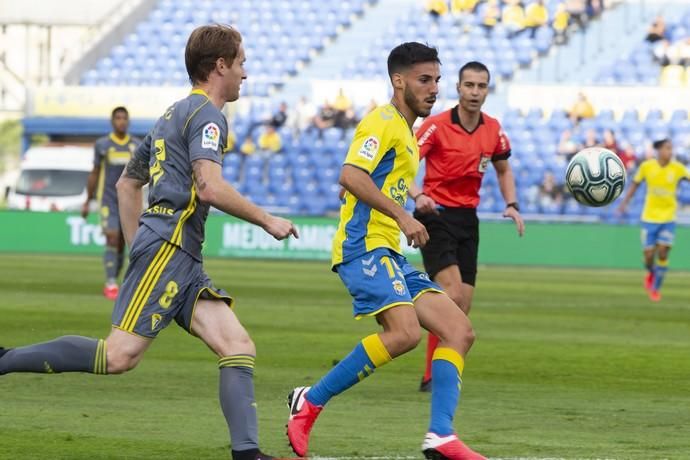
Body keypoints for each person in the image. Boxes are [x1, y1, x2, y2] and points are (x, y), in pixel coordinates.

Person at [0, 24, 298, 460]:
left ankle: (247, 453)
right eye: (241, 64)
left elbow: (127, 185)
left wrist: (141, 244)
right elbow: (210, 187)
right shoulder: (209, 116)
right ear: (220, 67)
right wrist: (266, 219)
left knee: (237, 345)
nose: (245, 74)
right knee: (118, 356)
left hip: (179, 255)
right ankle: (4, 359)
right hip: (170, 249)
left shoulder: (169, 115)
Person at [286, 42, 486, 460]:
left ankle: (440, 436)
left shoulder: (407, 133)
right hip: (362, 248)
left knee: (458, 330)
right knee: (405, 333)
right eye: (424, 80)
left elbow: (364, 178)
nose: (434, 89)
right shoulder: (382, 121)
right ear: (399, 81)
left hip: (387, 252)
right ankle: (310, 400)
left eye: (436, 80)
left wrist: (393, 202)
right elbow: (350, 173)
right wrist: (404, 216)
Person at [411, 61, 524, 392]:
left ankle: (439, 372)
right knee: (452, 294)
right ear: (458, 88)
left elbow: (503, 170)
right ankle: (433, 375)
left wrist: (512, 204)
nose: (475, 92)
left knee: (463, 305)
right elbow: (405, 162)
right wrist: (417, 195)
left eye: (481, 86)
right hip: (434, 214)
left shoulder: (493, 130)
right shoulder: (436, 126)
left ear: (487, 90)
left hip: (467, 219)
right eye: (469, 85)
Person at [617, 139, 690, 302]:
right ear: (658, 151)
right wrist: (624, 203)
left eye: (671, 149)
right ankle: (651, 272)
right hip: (649, 217)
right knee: (649, 256)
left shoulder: (677, 168)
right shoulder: (646, 167)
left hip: (668, 217)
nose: (670, 152)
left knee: (663, 252)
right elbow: (635, 185)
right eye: (667, 149)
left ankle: (655, 288)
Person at [81, 106, 141, 300]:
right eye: (118, 118)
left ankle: (116, 277)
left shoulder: (136, 146)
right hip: (108, 200)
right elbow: (95, 173)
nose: (121, 121)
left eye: (124, 118)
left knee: (124, 243)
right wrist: (87, 200)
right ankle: (110, 283)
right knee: (112, 238)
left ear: (128, 121)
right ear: (112, 121)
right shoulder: (103, 145)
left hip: (129, 202)